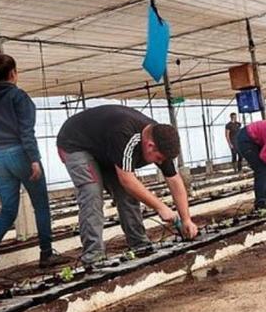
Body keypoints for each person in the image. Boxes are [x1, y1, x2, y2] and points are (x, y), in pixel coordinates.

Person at [55, 105, 199, 266]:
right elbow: (127, 180)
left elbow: (174, 180)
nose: (159, 163)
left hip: (106, 149)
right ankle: (93, 256)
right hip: (76, 144)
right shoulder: (126, 134)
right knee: (92, 195)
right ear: (150, 145)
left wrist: (186, 219)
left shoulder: (159, 138)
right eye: (158, 158)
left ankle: (139, 245)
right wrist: (161, 207)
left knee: (128, 195)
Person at [0, 51, 69, 280]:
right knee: (41, 205)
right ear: (14, 73)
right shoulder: (18, 97)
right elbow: (26, 131)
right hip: (19, 154)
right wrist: (34, 159)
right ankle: (46, 254)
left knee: (8, 209)